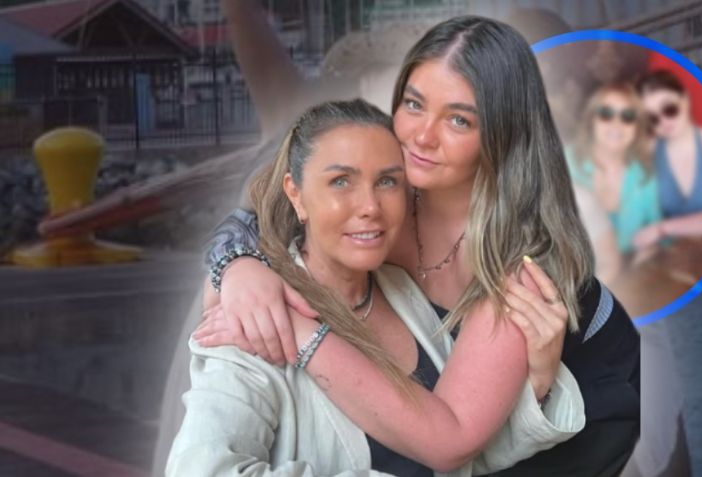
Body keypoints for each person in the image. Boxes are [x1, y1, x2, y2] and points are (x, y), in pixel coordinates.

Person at [187, 13, 639, 477]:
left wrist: (298, 332)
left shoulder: (520, 259)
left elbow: (451, 440)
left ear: (502, 134)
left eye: (459, 120)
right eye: (414, 104)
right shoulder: (375, 165)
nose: (422, 136)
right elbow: (255, 212)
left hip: (585, 384)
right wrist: (237, 267)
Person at [167, 99, 584, 476]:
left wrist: (537, 384)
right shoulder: (253, 321)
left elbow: (455, 452)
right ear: (296, 194)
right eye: (341, 181)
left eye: (387, 182)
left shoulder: (403, 290)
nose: (370, 207)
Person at [633, 70, 702, 252]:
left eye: (670, 109)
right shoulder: (647, 151)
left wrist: (662, 229)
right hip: (663, 255)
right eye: (652, 118)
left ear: (685, 99)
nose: (664, 121)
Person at [567, 82, 661, 260]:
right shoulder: (562, 163)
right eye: (606, 114)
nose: (617, 123)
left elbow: (657, 231)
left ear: (637, 127)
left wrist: (649, 251)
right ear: (591, 120)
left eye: (628, 116)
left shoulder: (645, 177)